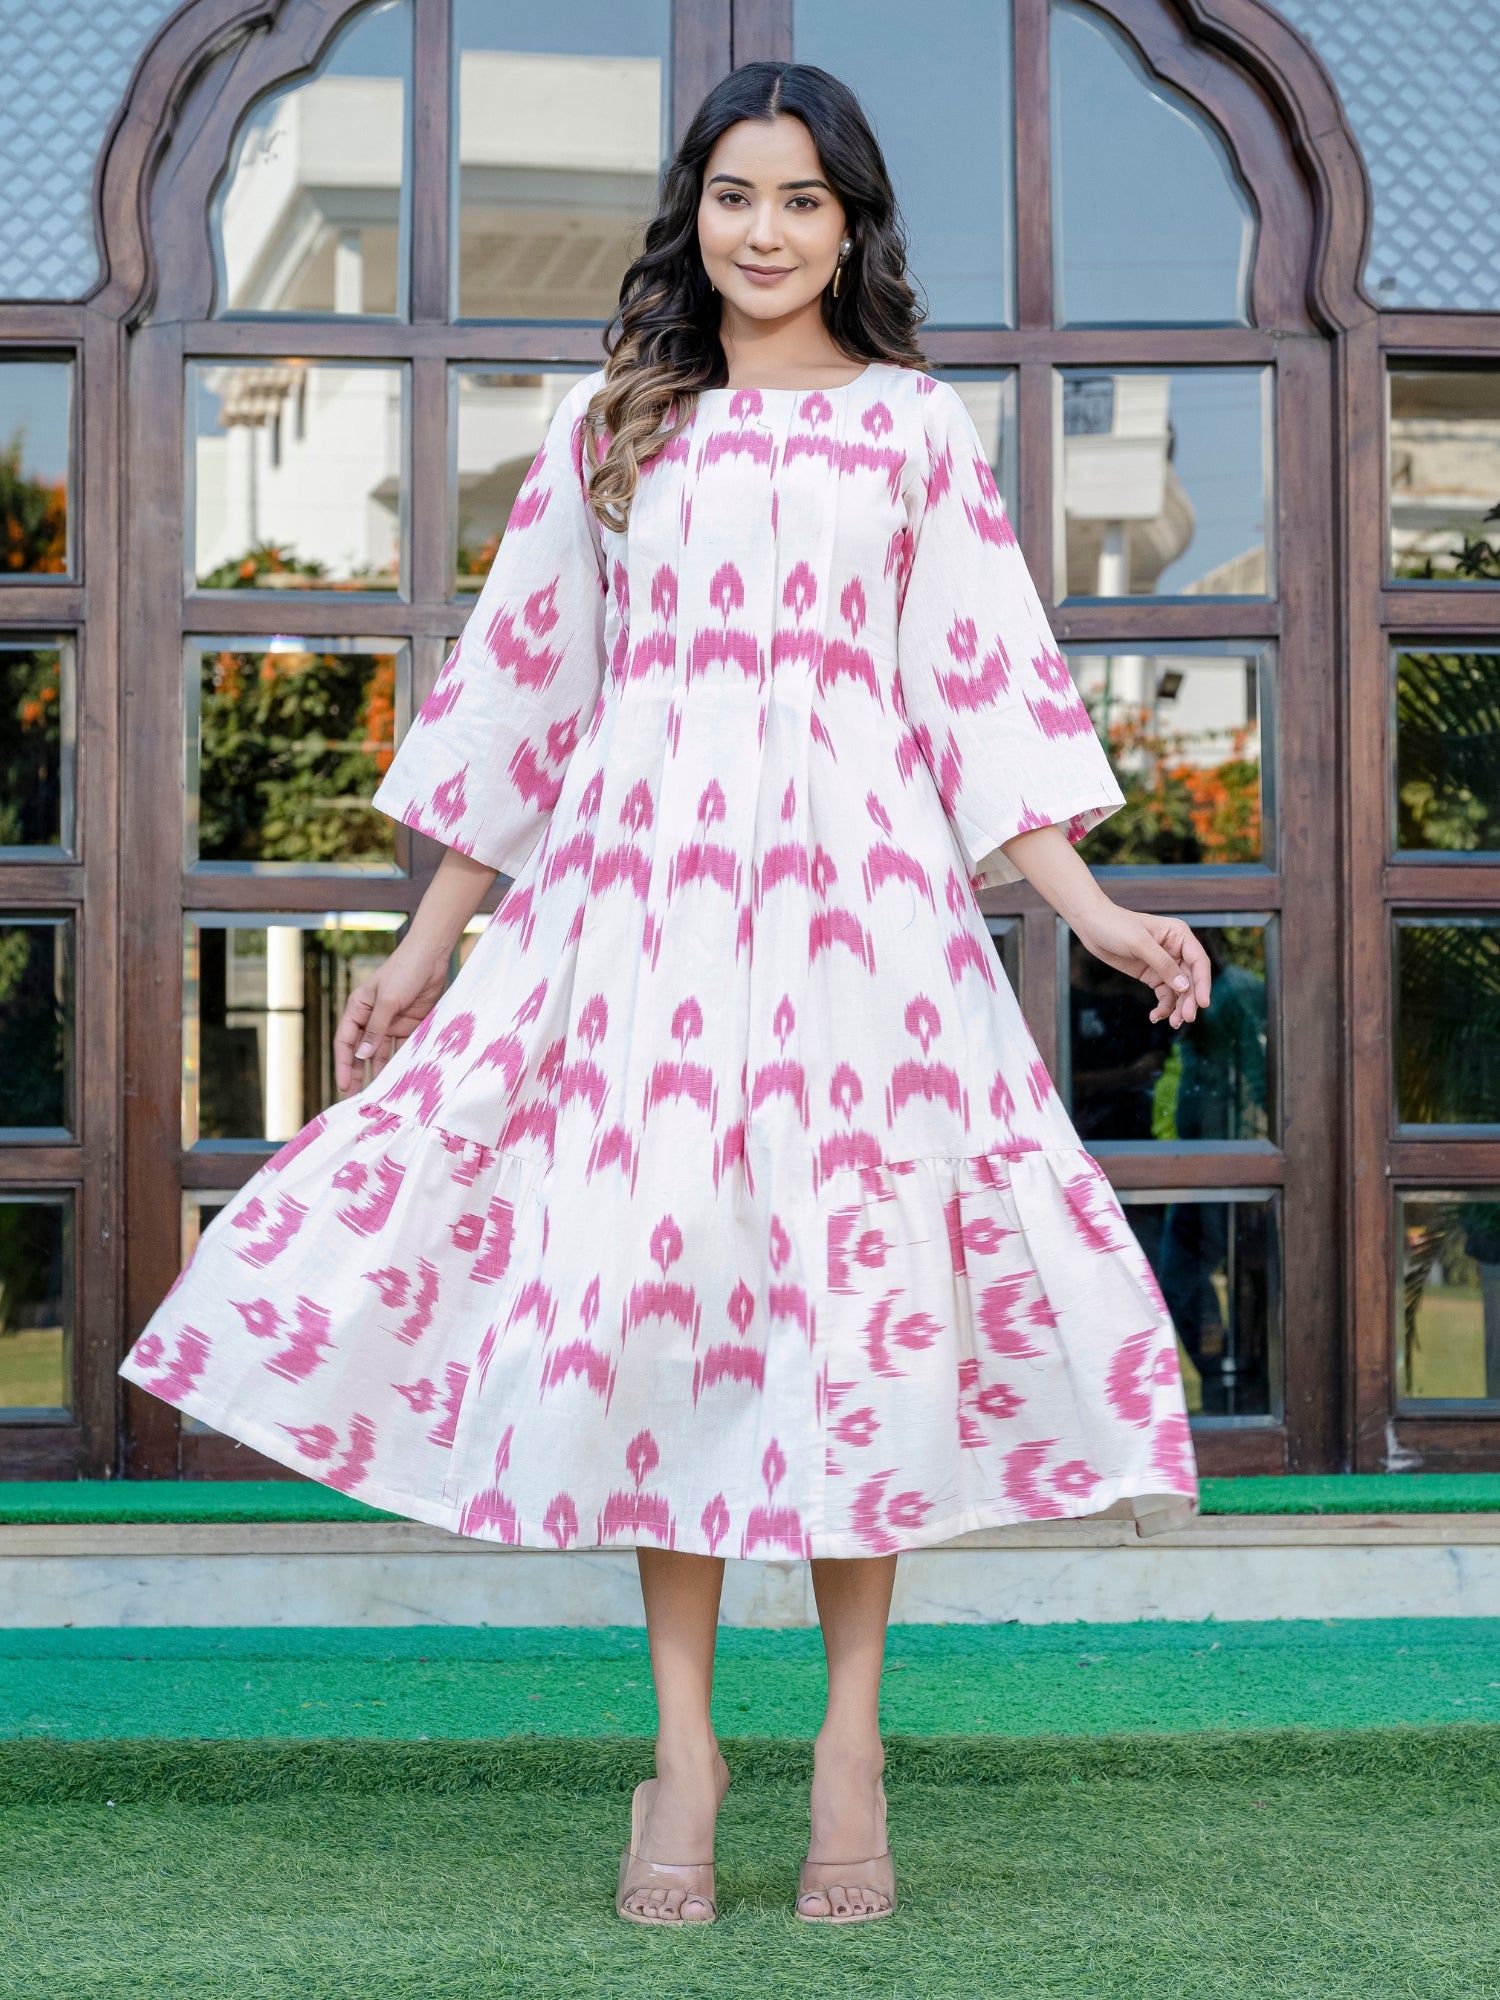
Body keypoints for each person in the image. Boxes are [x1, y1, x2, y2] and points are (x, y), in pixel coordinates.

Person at [121, 61, 1209, 1928]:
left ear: (852, 223)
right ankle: (689, 1752)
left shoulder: (920, 432)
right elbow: (525, 690)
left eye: (800, 200)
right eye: (732, 195)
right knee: (665, 1310)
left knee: (857, 1302)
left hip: (863, 931)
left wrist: (1094, 912)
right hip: (640, 922)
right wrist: (421, 941)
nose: (764, 232)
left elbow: (980, 685)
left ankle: (853, 1748)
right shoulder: (613, 425)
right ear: (690, 214)